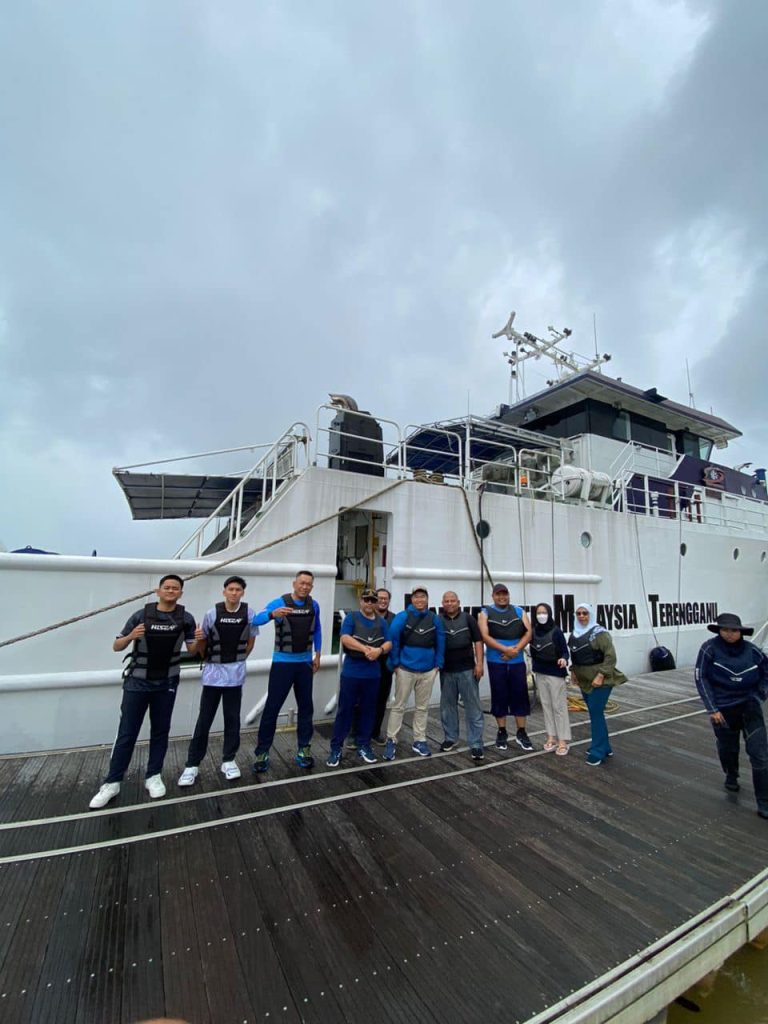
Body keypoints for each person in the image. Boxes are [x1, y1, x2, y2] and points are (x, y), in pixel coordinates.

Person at [89, 574, 197, 809]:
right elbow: (117, 645)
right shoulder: (140, 615)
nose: (170, 591)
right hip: (137, 683)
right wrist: (131, 636)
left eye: (175, 588)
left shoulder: (187, 619)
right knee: (127, 732)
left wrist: (198, 640)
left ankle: (154, 776)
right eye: (167, 587)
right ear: (158, 591)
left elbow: (193, 650)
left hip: (166, 683)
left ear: (180, 593)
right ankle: (112, 782)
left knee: (160, 730)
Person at [178, 576, 259, 786]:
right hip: (212, 676)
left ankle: (229, 760)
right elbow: (202, 644)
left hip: (235, 677)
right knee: (204, 720)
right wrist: (204, 647)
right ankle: (192, 764)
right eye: (231, 589)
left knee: (232, 719)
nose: (234, 592)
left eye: (238, 589)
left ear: (243, 593)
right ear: (224, 592)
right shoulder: (211, 614)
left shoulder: (250, 614)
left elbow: (250, 642)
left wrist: (237, 660)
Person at [695, 612, 768, 820]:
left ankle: (764, 802)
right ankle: (731, 775)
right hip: (723, 709)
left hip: (749, 707)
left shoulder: (753, 651)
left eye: (734, 630)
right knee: (728, 749)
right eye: (725, 630)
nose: (729, 633)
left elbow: (766, 673)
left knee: (760, 755)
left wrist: (759, 696)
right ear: (719, 630)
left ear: (740, 632)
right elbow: (701, 678)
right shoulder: (708, 649)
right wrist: (712, 709)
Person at [251, 570, 322, 773]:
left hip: (305, 664)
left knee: (306, 708)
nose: (305, 587)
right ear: (294, 583)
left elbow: (317, 629)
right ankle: (262, 752)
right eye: (301, 583)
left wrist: (318, 654)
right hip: (282, 664)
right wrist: (272, 615)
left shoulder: (313, 605)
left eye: (308, 584)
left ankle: (304, 749)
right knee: (272, 708)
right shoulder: (279, 602)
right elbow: (255, 620)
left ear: (311, 586)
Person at [326, 589, 392, 767]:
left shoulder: (381, 622)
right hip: (352, 673)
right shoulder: (352, 618)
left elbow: (388, 642)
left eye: (372, 600)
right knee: (345, 710)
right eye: (366, 600)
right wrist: (365, 649)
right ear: (361, 601)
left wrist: (379, 650)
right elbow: (345, 638)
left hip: (373, 674)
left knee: (369, 710)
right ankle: (336, 748)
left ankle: (364, 744)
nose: (369, 603)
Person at [383, 586, 445, 760]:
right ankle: (391, 739)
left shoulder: (434, 618)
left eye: (423, 596)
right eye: (416, 597)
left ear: (427, 599)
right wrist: (396, 664)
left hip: (428, 671)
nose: (419, 600)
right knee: (398, 706)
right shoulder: (403, 617)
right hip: (405, 670)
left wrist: (438, 665)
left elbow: (440, 641)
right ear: (411, 599)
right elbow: (393, 639)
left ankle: (419, 740)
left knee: (422, 708)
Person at [568, 602, 626, 766]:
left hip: (600, 681)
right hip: (584, 681)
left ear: (591, 614)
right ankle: (605, 747)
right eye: (579, 613)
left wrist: (601, 675)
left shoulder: (600, 634)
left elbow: (610, 657)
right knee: (595, 714)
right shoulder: (574, 633)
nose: (581, 616)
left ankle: (597, 751)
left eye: (585, 613)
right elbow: (575, 655)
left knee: (596, 713)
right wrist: (573, 672)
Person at [478, 584, 533, 752]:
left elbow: (528, 633)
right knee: (499, 695)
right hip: (496, 661)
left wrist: (515, 650)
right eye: (498, 594)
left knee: (520, 695)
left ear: (508, 595)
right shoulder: (485, 613)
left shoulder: (519, 611)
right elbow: (485, 636)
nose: (502, 597)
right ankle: (502, 731)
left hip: (516, 661)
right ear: (493, 596)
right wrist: (505, 650)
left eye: (505, 594)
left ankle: (521, 732)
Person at [438, 591, 486, 761]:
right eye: (446, 601)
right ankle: (451, 738)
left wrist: (479, 664)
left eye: (453, 600)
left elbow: (478, 641)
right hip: (446, 671)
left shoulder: (468, 619)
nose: (450, 603)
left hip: (467, 670)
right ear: (442, 603)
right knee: (447, 708)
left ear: (458, 602)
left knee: (473, 708)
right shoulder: (438, 620)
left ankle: (476, 744)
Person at [530, 602, 571, 755]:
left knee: (558, 706)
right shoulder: (533, 631)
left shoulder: (556, 632)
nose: (541, 615)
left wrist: (564, 659)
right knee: (546, 706)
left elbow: (565, 652)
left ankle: (563, 740)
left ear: (549, 613)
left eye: (544, 612)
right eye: (538, 613)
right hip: (540, 673)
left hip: (555, 673)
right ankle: (551, 736)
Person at [371, 588, 396, 744]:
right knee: (362, 699)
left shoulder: (394, 618)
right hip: (367, 662)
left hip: (386, 665)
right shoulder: (367, 615)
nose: (383, 601)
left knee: (381, 700)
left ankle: (375, 732)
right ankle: (356, 733)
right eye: (379, 598)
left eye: (385, 598)